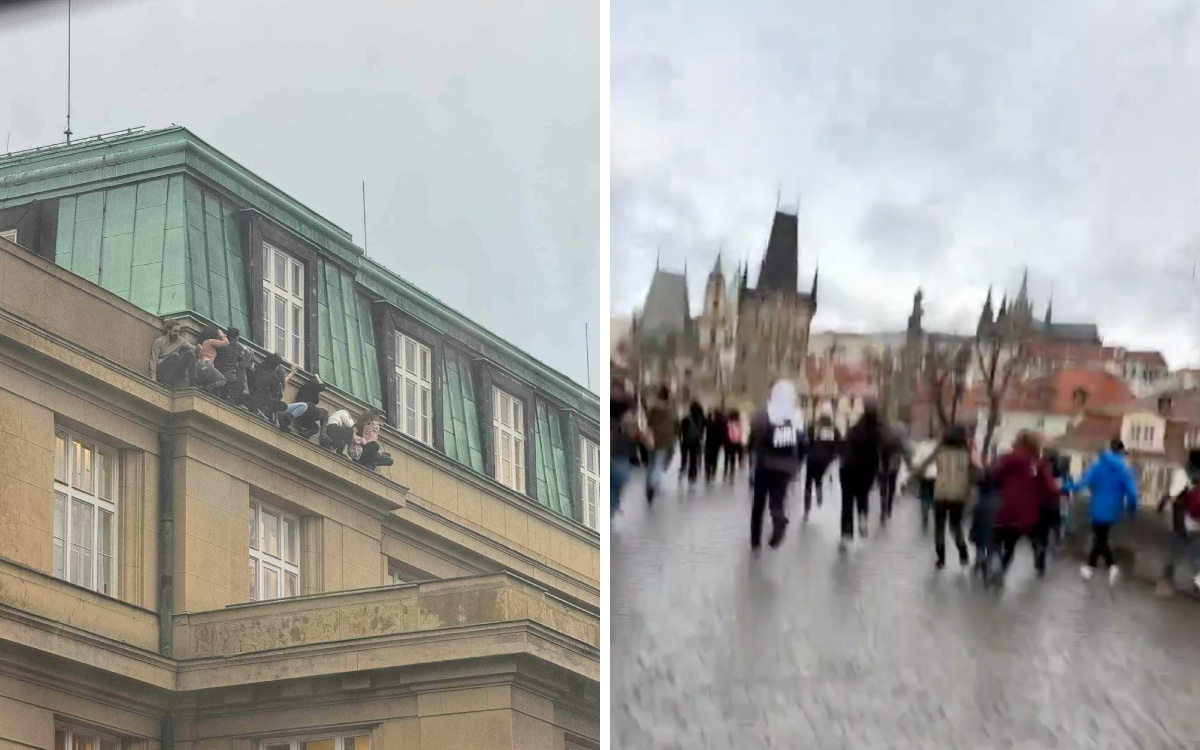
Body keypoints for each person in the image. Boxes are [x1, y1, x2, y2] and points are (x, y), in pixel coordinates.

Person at [986, 430, 1059, 583]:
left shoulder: (1008, 458)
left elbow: (994, 475)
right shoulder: (1039, 464)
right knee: (1010, 543)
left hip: (1005, 508)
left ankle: (996, 563)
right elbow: (1050, 489)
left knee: (995, 539)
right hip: (1026, 515)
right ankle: (1002, 571)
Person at [1064, 439, 1138, 585]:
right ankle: (1090, 568)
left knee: (1099, 538)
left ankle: (1110, 566)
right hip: (1113, 510)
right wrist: (1131, 507)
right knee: (1100, 538)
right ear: (1121, 452)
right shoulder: (1124, 469)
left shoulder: (1098, 465)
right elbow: (1131, 492)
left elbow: (1082, 483)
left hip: (1097, 507)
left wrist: (1066, 487)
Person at [838, 399, 905, 549]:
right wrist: (886, 462)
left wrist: (842, 458)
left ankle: (846, 534)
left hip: (848, 468)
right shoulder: (880, 429)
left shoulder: (855, 428)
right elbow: (891, 445)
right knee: (863, 496)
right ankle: (862, 516)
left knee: (847, 501)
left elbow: (844, 445)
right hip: (867, 470)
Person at [908, 425, 977, 568]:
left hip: (941, 492)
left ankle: (941, 559)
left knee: (939, 526)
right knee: (955, 525)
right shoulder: (966, 453)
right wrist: (969, 490)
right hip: (959, 494)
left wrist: (913, 476)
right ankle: (963, 554)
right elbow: (973, 474)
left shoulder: (940, 450)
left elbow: (923, 466)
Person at [747, 381, 805, 549]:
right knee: (777, 502)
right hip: (785, 467)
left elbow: (756, 427)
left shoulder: (767, 411)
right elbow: (802, 442)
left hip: (764, 463)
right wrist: (797, 465)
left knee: (758, 502)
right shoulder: (796, 416)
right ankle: (779, 521)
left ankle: (755, 539)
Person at [1156, 450, 1200, 597]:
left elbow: (1173, 496)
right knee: (1195, 555)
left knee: (1173, 553)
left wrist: (1162, 505)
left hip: (1180, 521)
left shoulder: (1182, 473)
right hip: (1196, 522)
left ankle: (1165, 583)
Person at [610, 378, 642, 519]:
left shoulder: (628, 408)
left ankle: (613, 505)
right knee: (615, 483)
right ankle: (612, 509)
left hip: (621, 453)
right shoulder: (628, 408)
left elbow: (635, 431)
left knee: (617, 484)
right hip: (618, 453)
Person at [643, 386, 678, 504]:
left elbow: (648, 421)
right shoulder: (670, 410)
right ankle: (653, 485)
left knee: (651, 464)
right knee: (658, 464)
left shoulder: (653, 408)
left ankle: (649, 486)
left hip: (652, 439)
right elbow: (673, 426)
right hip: (664, 441)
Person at [803, 415, 840, 520]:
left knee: (808, 482)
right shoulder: (834, 430)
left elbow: (806, 442)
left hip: (812, 458)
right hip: (824, 460)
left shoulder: (814, 428)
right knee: (818, 476)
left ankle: (807, 509)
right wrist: (832, 457)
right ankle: (819, 491)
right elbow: (838, 445)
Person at [149, 321, 197, 388]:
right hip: (162, 370)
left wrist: (199, 348)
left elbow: (193, 348)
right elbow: (153, 360)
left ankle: (193, 382)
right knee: (175, 355)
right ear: (168, 330)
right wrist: (153, 379)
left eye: (178, 331)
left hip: (173, 371)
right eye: (175, 331)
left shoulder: (180, 340)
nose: (177, 333)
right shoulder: (159, 341)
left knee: (191, 353)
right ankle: (165, 382)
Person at [878, 423, 907, 525]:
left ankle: (883, 509)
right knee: (891, 488)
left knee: (883, 490)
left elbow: (876, 451)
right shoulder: (897, 440)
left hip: (882, 467)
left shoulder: (881, 438)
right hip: (893, 467)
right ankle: (888, 508)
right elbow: (904, 451)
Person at [214, 327, 251, 403]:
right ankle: (230, 397)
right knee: (241, 386)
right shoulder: (238, 347)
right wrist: (241, 364)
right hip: (229, 375)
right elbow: (249, 353)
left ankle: (224, 396)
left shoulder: (222, 344)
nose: (238, 338)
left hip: (217, 371)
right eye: (237, 336)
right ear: (233, 337)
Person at [291, 374, 329, 439]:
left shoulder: (308, 387)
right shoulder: (313, 382)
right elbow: (322, 387)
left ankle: (305, 433)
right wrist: (318, 378)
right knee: (325, 412)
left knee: (316, 428)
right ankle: (323, 435)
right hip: (308, 409)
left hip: (300, 417)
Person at [195, 325, 229, 394]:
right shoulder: (210, 341)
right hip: (207, 365)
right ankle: (209, 388)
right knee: (222, 380)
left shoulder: (201, 344)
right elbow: (226, 343)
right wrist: (221, 334)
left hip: (199, 367)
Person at [678, 401, 706, 487]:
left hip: (686, 440)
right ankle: (692, 475)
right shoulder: (702, 419)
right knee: (693, 458)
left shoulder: (686, 418)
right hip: (696, 441)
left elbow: (681, 430)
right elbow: (703, 430)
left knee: (684, 457)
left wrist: (681, 438)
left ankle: (682, 470)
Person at [703, 408, 728, 484]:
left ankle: (708, 473)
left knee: (707, 457)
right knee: (715, 457)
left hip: (709, 442)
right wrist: (723, 442)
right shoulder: (723, 423)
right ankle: (713, 472)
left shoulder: (710, 422)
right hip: (717, 443)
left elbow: (705, 426)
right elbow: (724, 434)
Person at [723, 410, 745, 480]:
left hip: (728, 442)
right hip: (736, 442)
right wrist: (740, 440)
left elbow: (727, 432)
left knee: (727, 457)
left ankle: (726, 471)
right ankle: (731, 473)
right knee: (732, 458)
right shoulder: (739, 423)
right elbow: (741, 432)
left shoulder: (728, 423)